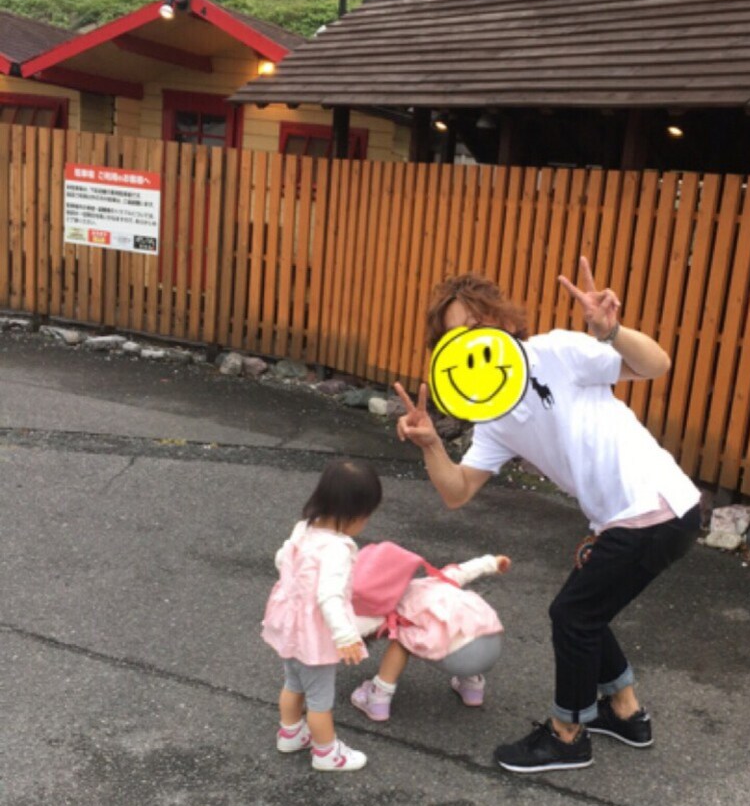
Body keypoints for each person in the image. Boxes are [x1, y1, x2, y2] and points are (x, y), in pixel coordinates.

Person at [393, 258, 702, 775]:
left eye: (478, 323)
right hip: (628, 519)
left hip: (655, 506)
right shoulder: (492, 415)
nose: (472, 339)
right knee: (584, 607)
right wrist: (430, 445)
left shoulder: (556, 351)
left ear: (504, 321)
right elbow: (458, 491)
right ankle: (626, 713)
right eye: (456, 335)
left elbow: (655, 365)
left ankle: (568, 735)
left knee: (573, 614)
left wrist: (612, 332)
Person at [261, 458, 382, 772]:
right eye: (366, 516)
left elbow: (282, 558)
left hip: (289, 625)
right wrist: (346, 636)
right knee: (319, 701)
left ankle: (290, 734)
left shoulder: (304, 527)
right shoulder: (337, 548)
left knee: (293, 683)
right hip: (315, 635)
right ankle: (327, 753)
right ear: (353, 514)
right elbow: (329, 596)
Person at [349, 542, 510, 722]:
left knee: (402, 640)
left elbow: (357, 627)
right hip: (491, 642)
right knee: (457, 625)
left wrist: (340, 640)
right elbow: (465, 570)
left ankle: (378, 698)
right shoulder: (435, 579)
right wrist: (493, 562)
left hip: (457, 656)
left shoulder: (389, 609)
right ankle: (472, 687)